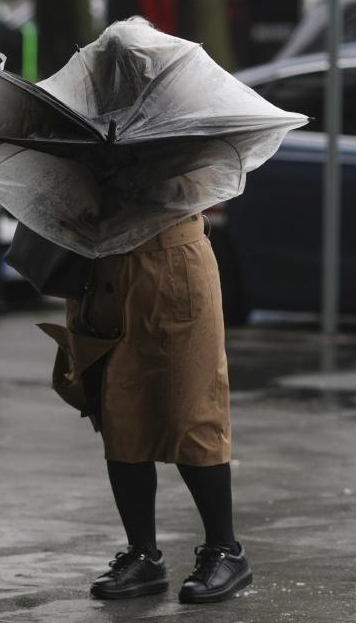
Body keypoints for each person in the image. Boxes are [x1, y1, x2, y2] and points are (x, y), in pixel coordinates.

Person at [62, 212, 253, 603]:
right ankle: (143, 555)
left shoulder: (178, 147)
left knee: (193, 413)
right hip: (103, 269)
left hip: (174, 261)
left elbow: (197, 176)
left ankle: (226, 550)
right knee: (119, 415)